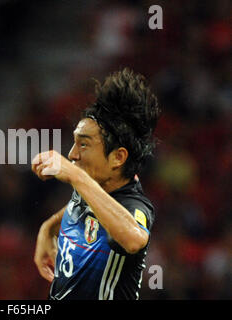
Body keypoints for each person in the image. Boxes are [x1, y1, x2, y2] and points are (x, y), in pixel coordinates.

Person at [31, 68, 161, 300]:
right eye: (74, 143)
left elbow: (134, 238)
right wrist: (48, 228)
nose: (72, 154)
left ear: (118, 157)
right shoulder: (93, 188)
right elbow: (83, 204)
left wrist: (76, 176)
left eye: (84, 145)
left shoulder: (133, 205)